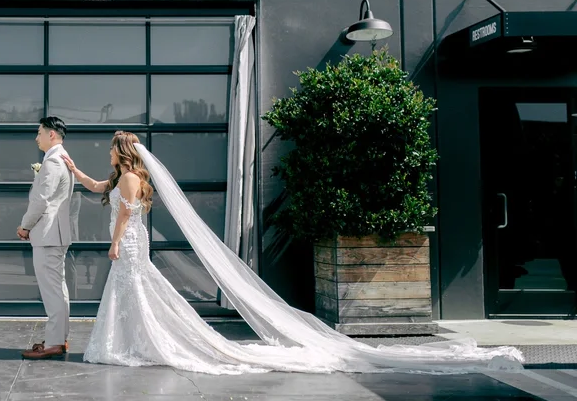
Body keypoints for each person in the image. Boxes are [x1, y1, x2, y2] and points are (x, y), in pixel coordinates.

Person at [61, 131, 525, 375]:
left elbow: (122, 215)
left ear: (121, 151)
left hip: (131, 243)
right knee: (139, 292)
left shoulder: (127, 178)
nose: (107, 153)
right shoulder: (131, 177)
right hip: (135, 244)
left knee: (134, 291)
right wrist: (73, 167)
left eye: (109, 149)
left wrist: (116, 242)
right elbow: (97, 187)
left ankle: (133, 343)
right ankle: (134, 341)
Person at [17, 117, 75, 360]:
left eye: (39, 132)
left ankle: (54, 342)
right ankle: (59, 339)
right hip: (55, 234)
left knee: (52, 291)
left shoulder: (52, 161)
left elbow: (41, 200)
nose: (36, 137)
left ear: (52, 134)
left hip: (48, 234)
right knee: (58, 289)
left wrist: (24, 226)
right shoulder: (61, 158)